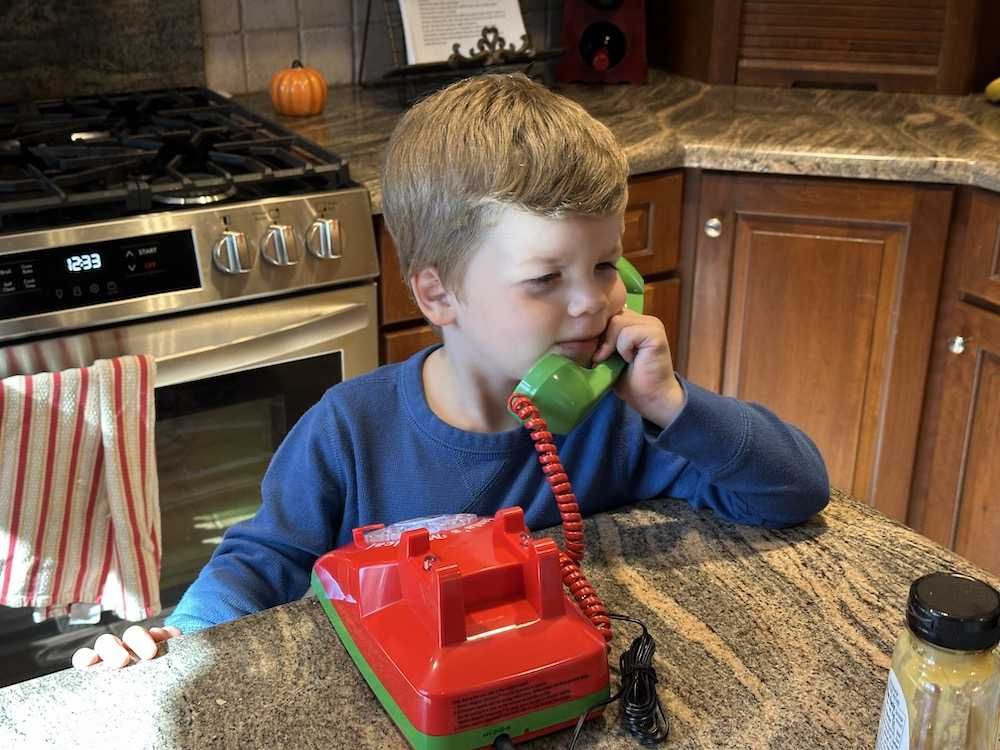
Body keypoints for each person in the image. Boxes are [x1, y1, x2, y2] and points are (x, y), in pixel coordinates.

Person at [73, 72, 829, 670]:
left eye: (604, 266)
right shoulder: (349, 431)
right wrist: (179, 641)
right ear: (438, 292)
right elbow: (260, 561)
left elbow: (795, 490)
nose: (591, 303)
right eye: (544, 279)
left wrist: (671, 402)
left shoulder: (619, 421)